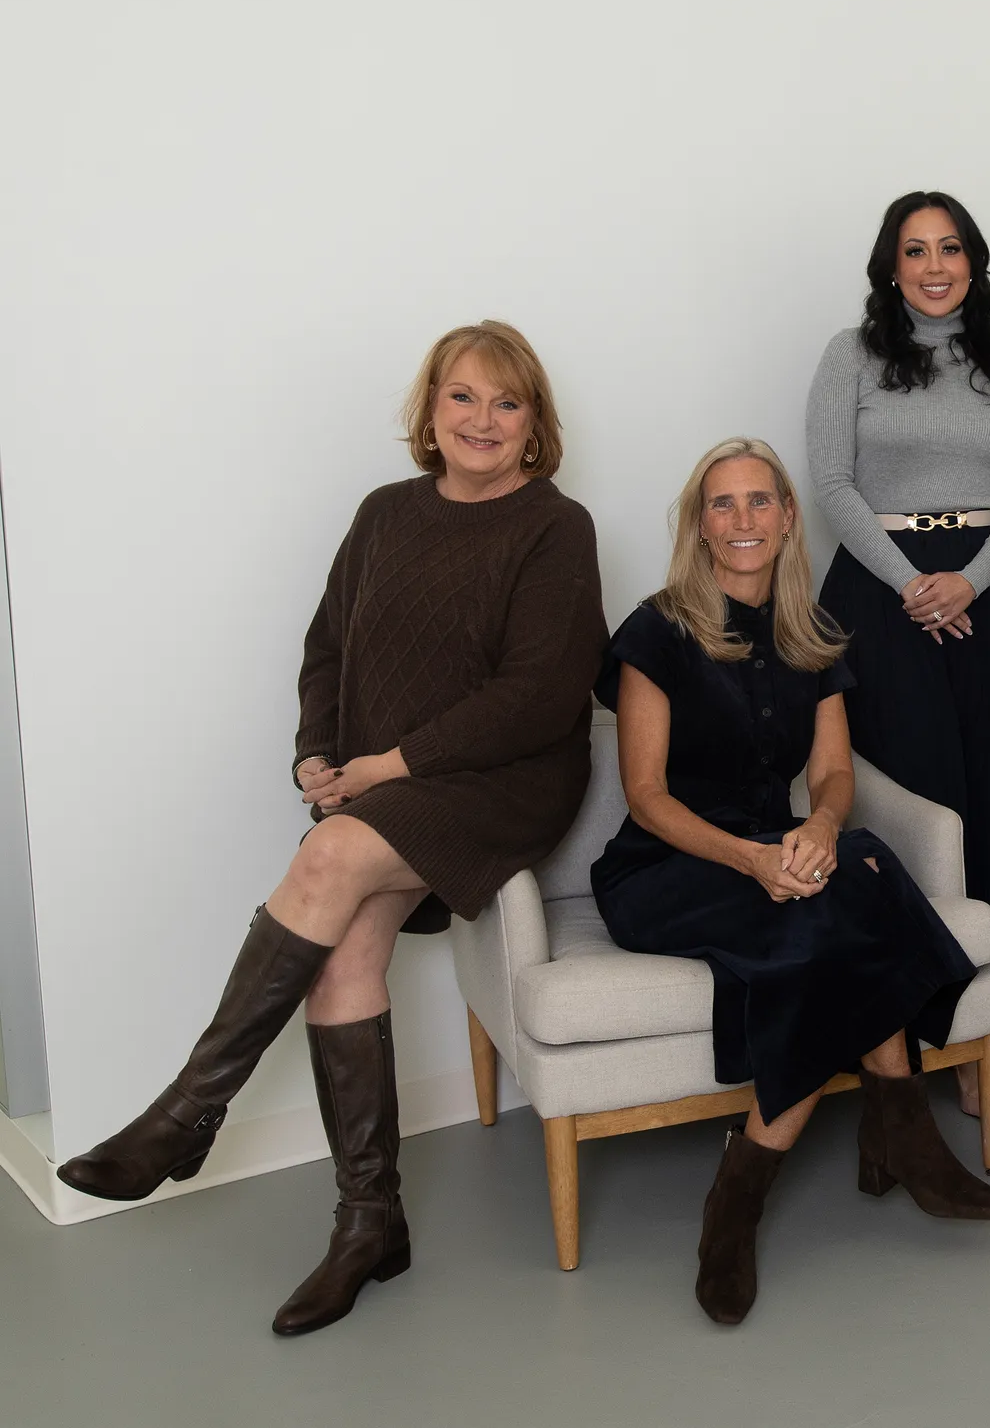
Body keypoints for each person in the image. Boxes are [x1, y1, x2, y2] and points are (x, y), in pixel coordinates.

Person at [58, 321, 606, 1335]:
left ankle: (184, 1115)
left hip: (504, 780)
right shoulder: (383, 513)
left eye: (506, 402)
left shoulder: (552, 525)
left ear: (534, 427)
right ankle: (371, 1221)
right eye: (461, 397)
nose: (481, 420)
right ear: (429, 410)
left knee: (330, 854)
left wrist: (387, 767)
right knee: (344, 938)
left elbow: (540, 693)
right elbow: (326, 648)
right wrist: (315, 752)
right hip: (380, 786)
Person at [593, 438, 990, 1326]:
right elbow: (645, 794)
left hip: (775, 848)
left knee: (860, 860)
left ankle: (847, 1147)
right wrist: (753, 858)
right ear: (699, 526)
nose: (743, 520)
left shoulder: (812, 635)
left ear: (788, 518)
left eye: (760, 501)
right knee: (828, 917)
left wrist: (818, 829)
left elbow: (831, 777)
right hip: (668, 865)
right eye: (722, 504)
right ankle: (788, 1181)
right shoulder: (656, 630)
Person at [808, 190, 990, 1118]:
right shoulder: (854, 355)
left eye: (951, 248)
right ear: (891, 265)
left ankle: (971, 1033)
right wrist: (914, 580)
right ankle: (898, 1032)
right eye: (916, 251)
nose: (936, 266)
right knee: (907, 800)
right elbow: (829, 481)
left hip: (985, 593)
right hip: (881, 591)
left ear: (973, 261)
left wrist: (969, 581)